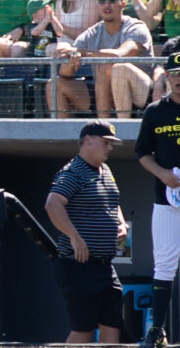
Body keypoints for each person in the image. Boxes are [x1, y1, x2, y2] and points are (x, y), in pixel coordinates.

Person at [45, 120, 126, 344]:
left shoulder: (106, 170)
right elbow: (53, 204)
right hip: (78, 266)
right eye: (106, 142)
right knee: (83, 329)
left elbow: (113, 202)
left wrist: (121, 224)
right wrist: (74, 236)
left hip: (105, 266)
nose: (110, 148)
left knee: (112, 326)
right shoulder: (73, 172)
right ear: (87, 141)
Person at [134, 51, 180, 348]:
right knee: (164, 265)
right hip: (166, 198)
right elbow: (142, 152)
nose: (179, 78)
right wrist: (160, 172)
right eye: (174, 74)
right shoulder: (155, 111)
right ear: (167, 77)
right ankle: (157, 330)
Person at [51, 0, 153, 119]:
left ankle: (105, 126)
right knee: (55, 84)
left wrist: (81, 52)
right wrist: (69, 53)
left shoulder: (136, 27)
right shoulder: (93, 32)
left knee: (107, 67)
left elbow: (119, 55)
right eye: (102, 0)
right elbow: (64, 72)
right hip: (104, 92)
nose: (106, 4)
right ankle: (63, 137)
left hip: (141, 94)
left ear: (123, 4)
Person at [151, 0, 180, 101]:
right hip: (177, 90)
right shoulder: (172, 45)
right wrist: (158, 82)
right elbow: (160, 68)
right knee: (172, 78)